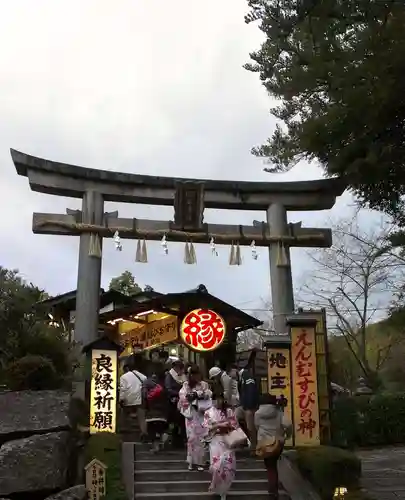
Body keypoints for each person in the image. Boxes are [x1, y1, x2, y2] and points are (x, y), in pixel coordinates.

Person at [255, 394, 292, 499]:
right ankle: (273, 490)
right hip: (277, 442)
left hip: (263, 443)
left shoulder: (257, 413)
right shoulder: (278, 413)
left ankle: (272, 490)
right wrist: (286, 436)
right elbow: (288, 425)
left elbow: (257, 426)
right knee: (273, 466)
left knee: (270, 466)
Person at [203, 389, 238, 500]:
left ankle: (224, 491)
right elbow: (206, 427)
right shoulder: (208, 412)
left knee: (228, 464)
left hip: (227, 440)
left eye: (220, 399)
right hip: (215, 440)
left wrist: (223, 425)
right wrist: (219, 425)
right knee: (217, 464)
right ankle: (215, 484)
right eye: (215, 399)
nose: (218, 401)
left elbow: (234, 425)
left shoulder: (229, 411)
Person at [178, 364, 212, 471]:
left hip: (202, 413)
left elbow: (209, 394)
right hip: (191, 414)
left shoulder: (204, 384)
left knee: (202, 438)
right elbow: (182, 397)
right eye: (194, 374)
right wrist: (191, 396)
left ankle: (200, 462)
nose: (197, 377)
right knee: (192, 438)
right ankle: (191, 462)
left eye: (198, 374)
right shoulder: (186, 385)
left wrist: (200, 394)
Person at [119, 359, 148, 440]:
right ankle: (144, 432)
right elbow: (145, 384)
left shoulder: (123, 377)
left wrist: (121, 399)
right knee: (142, 417)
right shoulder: (142, 376)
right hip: (140, 398)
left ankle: (125, 430)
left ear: (127, 368)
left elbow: (123, 389)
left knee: (125, 414)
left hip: (129, 398)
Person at [143, 373, 169, 452]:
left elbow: (145, 402)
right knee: (160, 429)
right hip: (162, 415)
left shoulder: (148, 392)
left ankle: (156, 447)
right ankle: (164, 436)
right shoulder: (163, 389)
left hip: (151, 415)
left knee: (152, 431)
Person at [165, 359, 186, 448]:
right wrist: (179, 393)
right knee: (174, 422)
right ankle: (174, 440)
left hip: (182, 402)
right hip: (173, 402)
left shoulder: (182, 376)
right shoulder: (170, 376)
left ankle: (181, 440)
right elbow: (168, 389)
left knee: (182, 422)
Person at [238, 364, 259, 451]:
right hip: (244, 405)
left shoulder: (247, 376)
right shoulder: (242, 377)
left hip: (249, 406)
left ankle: (254, 446)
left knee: (251, 427)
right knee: (235, 418)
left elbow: (251, 391)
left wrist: (249, 406)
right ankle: (244, 441)